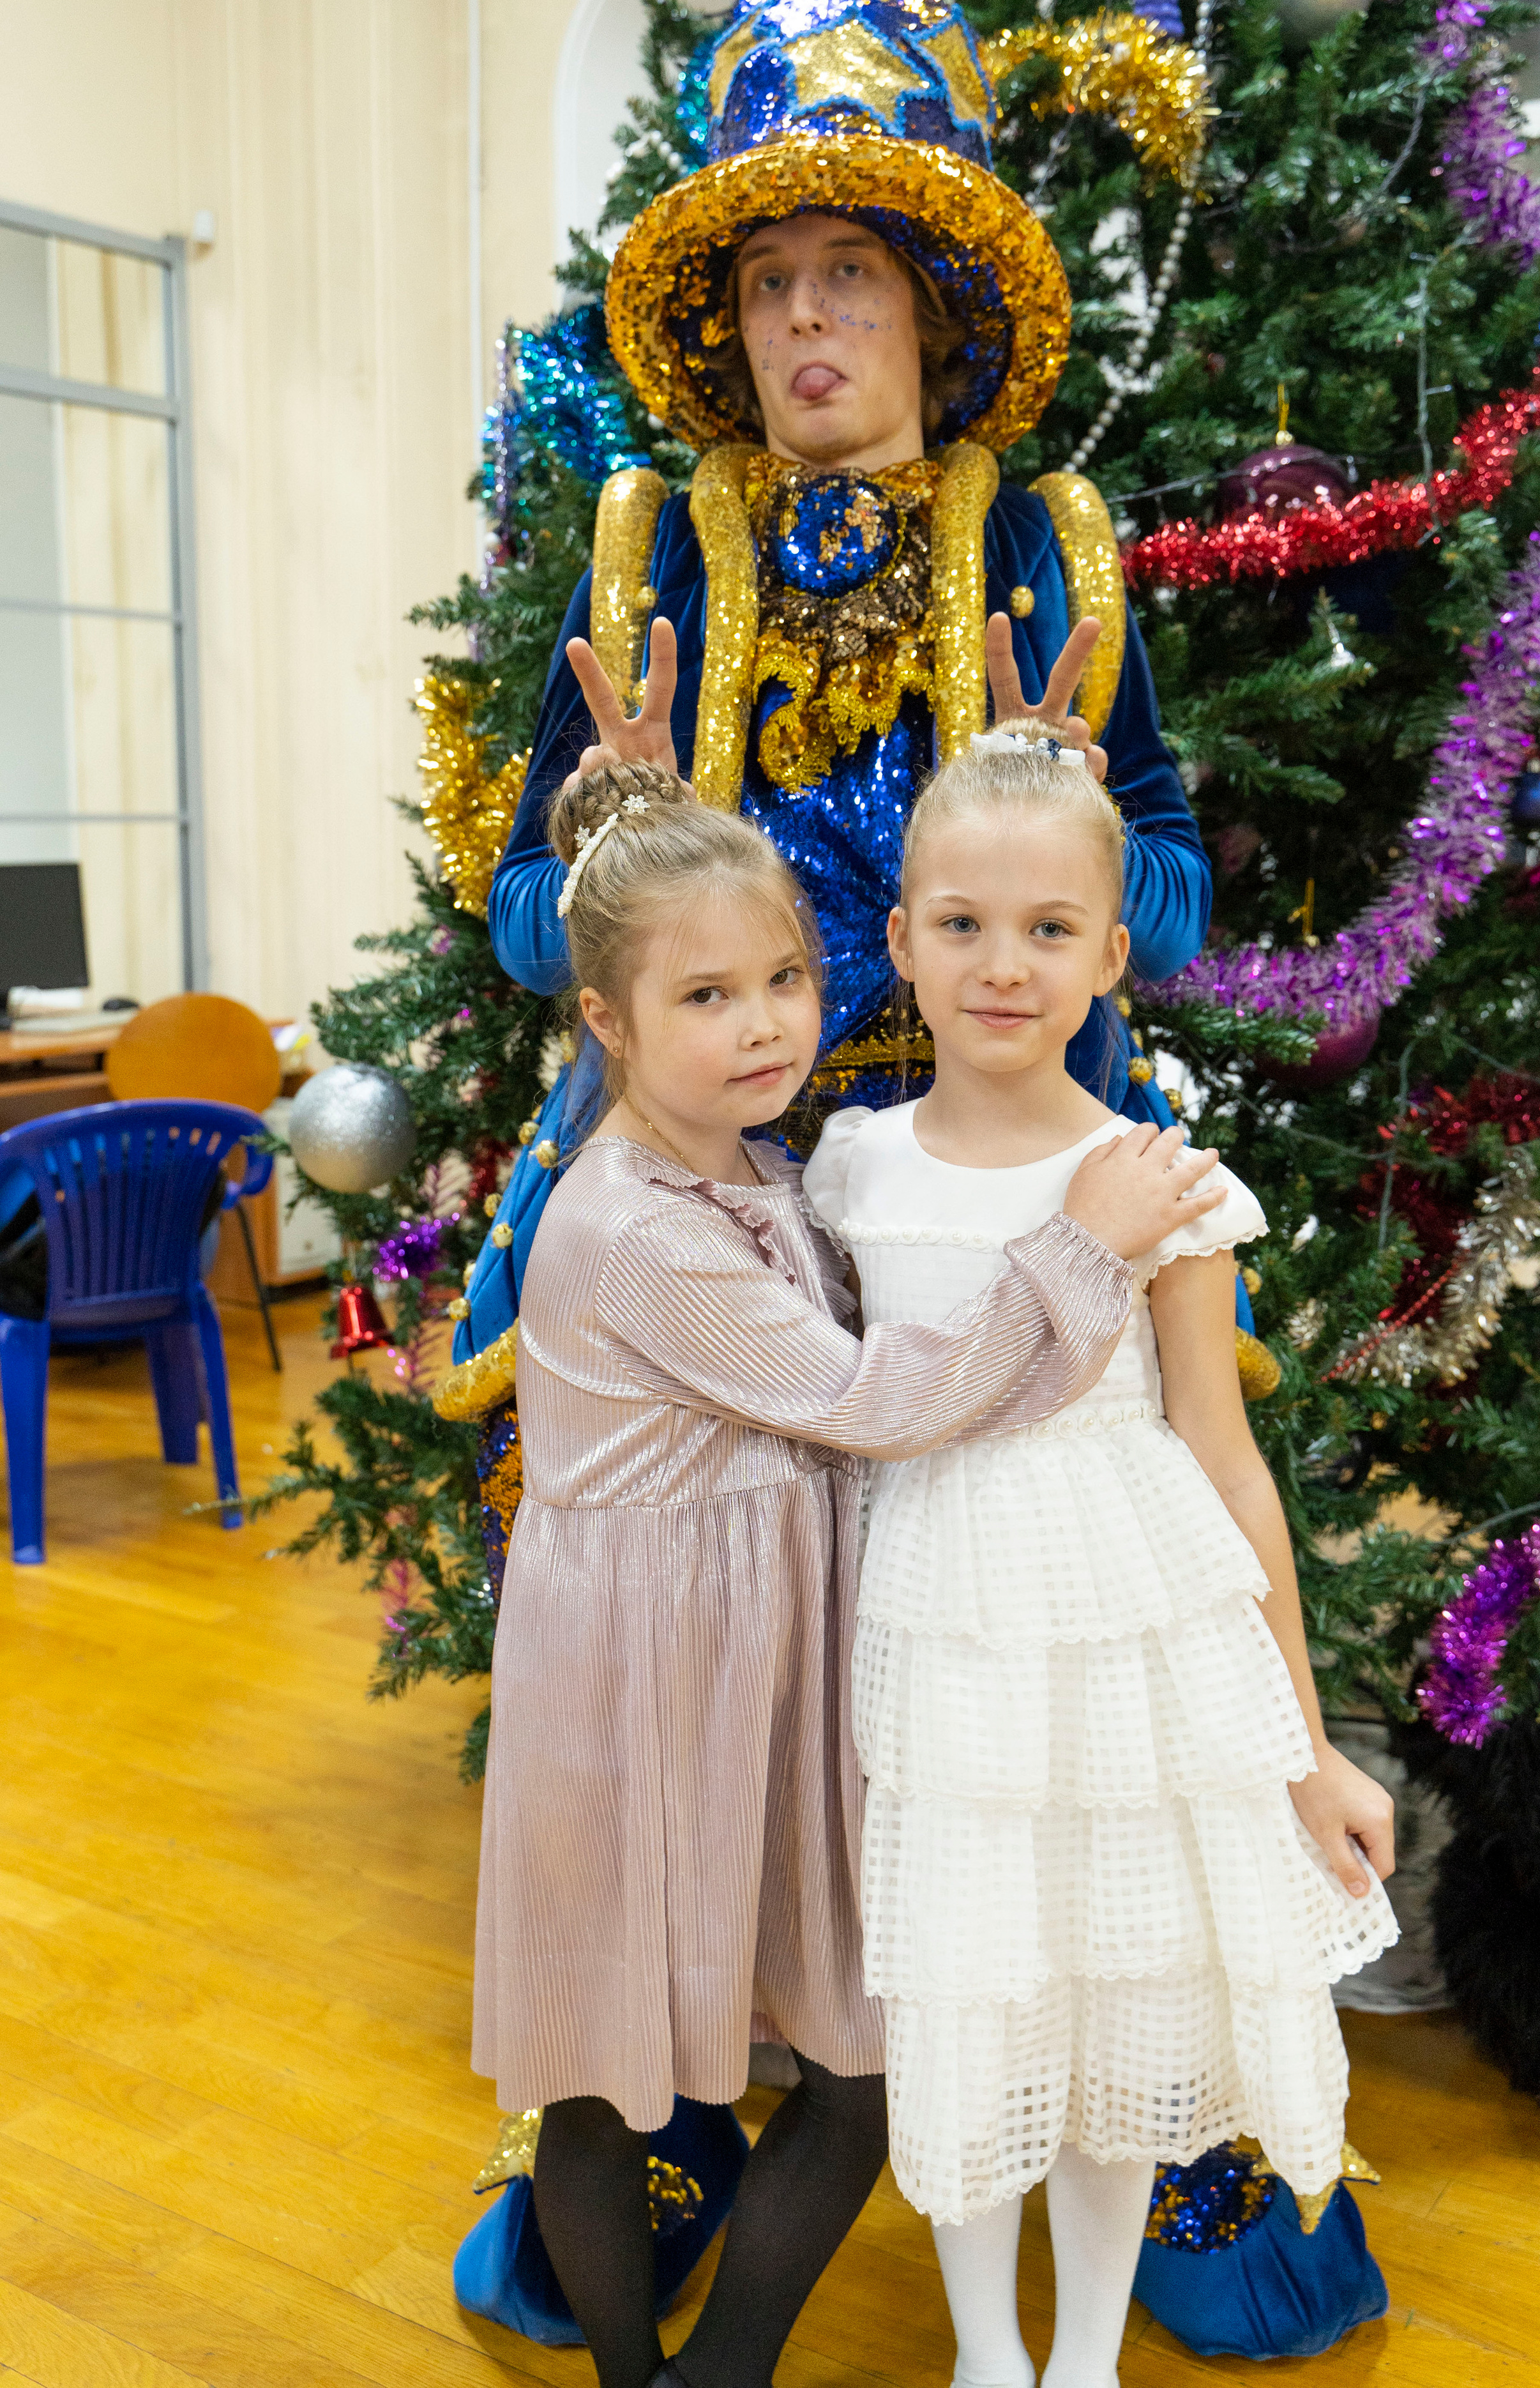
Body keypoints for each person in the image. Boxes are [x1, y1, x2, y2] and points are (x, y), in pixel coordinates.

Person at [479, 757, 1228, 2388]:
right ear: (604, 1020)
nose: (761, 1025)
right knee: (612, 2074)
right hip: (636, 1681)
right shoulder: (636, 1228)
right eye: (703, 995)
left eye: (783, 981)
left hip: (773, 1660)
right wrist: (1079, 1243)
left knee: (854, 2058)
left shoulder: (762, 1165)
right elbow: (881, 1402)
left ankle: (724, 2372)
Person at [443, 0, 1211, 1399]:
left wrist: (1074, 836)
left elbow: (1161, 920)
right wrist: (617, 854)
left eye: (847, 271)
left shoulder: (1041, 552)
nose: (805, 316)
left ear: (923, 307)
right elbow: (530, 937)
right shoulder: (652, 560)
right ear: (731, 329)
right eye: (767, 283)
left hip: (1000, 1176)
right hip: (708, 1195)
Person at [804, 738, 1398, 2388]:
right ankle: (988, 2354)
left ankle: (1082, 2361)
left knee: (1111, 1994)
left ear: (1113, 955)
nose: (1006, 966)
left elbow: (1224, 1456)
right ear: (905, 938)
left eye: (1051, 930)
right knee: (975, 1995)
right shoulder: (855, 1167)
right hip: (934, 1638)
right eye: (966, 924)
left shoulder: (1164, 1187)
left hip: (1126, 1635)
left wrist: (1305, 1746)